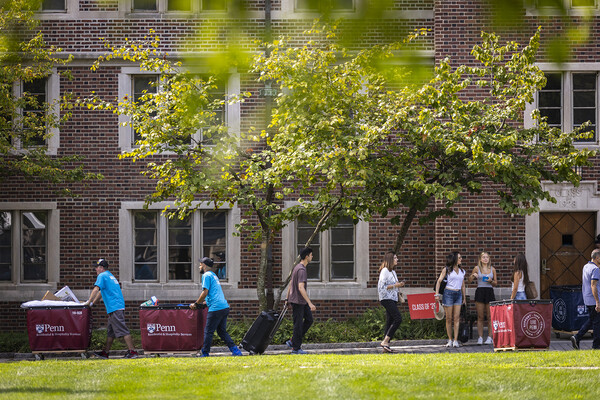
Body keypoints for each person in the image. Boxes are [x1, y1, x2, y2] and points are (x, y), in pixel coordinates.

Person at [83, 258, 139, 359]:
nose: (96, 270)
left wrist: (87, 302)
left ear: (101, 268)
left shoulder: (102, 275)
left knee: (123, 330)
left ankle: (133, 352)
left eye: (96, 267)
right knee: (111, 332)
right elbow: (101, 293)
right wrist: (92, 303)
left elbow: (96, 289)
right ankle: (106, 352)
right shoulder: (110, 275)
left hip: (115, 307)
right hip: (116, 306)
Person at [190, 257, 242, 357]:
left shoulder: (206, 275)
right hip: (224, 306)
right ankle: (236, 351)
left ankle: (205, 353)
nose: (199, 266)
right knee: (222, 332)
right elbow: (214, 294)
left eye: (200, 264)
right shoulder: (214, 275)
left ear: (204, 265)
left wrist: (196, 304)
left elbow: (205, 292)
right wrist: (204, 303)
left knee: (208, 331)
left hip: (216, 308)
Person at [286, 247, 316, 355]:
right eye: (311, 255)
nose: (312, 257)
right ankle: (295, 348)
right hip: (299, 301)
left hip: (298, 301)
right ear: (307, 256)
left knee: (309, 320)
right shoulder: (302, 269)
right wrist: (310, 303)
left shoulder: (297, 267)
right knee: (298, 324)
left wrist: (287, 298)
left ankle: (293, 341)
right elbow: (300, 287)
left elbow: (290, 284)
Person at [435, 251, 466, 348]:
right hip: (448, 293)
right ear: (455, 259)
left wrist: (464, 297)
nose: (461, 259)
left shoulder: (462, 271)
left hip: (458, 294)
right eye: (459, 258)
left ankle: (456, 340)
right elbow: (439, 281)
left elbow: (463, 285)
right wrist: (437, 294)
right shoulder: (447, 269)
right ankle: (450, 339)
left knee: (456, 318)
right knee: (448, 318)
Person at [570, 249, 600, 350]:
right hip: (593, 299)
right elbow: (593, 285)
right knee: (597, 323)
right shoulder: (595, 269)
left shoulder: (586, 266)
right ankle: (596, 346)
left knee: (592, 320)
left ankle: (577, 337)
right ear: (597, 258)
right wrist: (597, 302)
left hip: (587, 298)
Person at [377, 251, 405, 353]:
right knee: (398, 318)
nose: (397, 260)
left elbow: (394, 285)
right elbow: (382, 287)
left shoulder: (393, 272)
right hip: (386, 298)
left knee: (390, 320)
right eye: (395, 258)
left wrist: (399, 284)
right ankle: (385, 341)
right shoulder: (384, 271)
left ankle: (386, 345)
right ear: (390, 260)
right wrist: (395, 285)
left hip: (393, 299)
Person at [468, 252, 497, 345]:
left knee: (489, 316)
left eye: (487, 257)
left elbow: (495, 283)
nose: (485, 259)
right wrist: (473, 276)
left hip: (489, 291)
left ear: (489, 259)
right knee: (480, 316)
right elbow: (469, 280)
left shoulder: (492, 269)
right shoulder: (477, 268)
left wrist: (491, 281)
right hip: (480, 291)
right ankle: (480, 337)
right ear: (480, 259)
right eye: (483, 257)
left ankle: (490, 337)